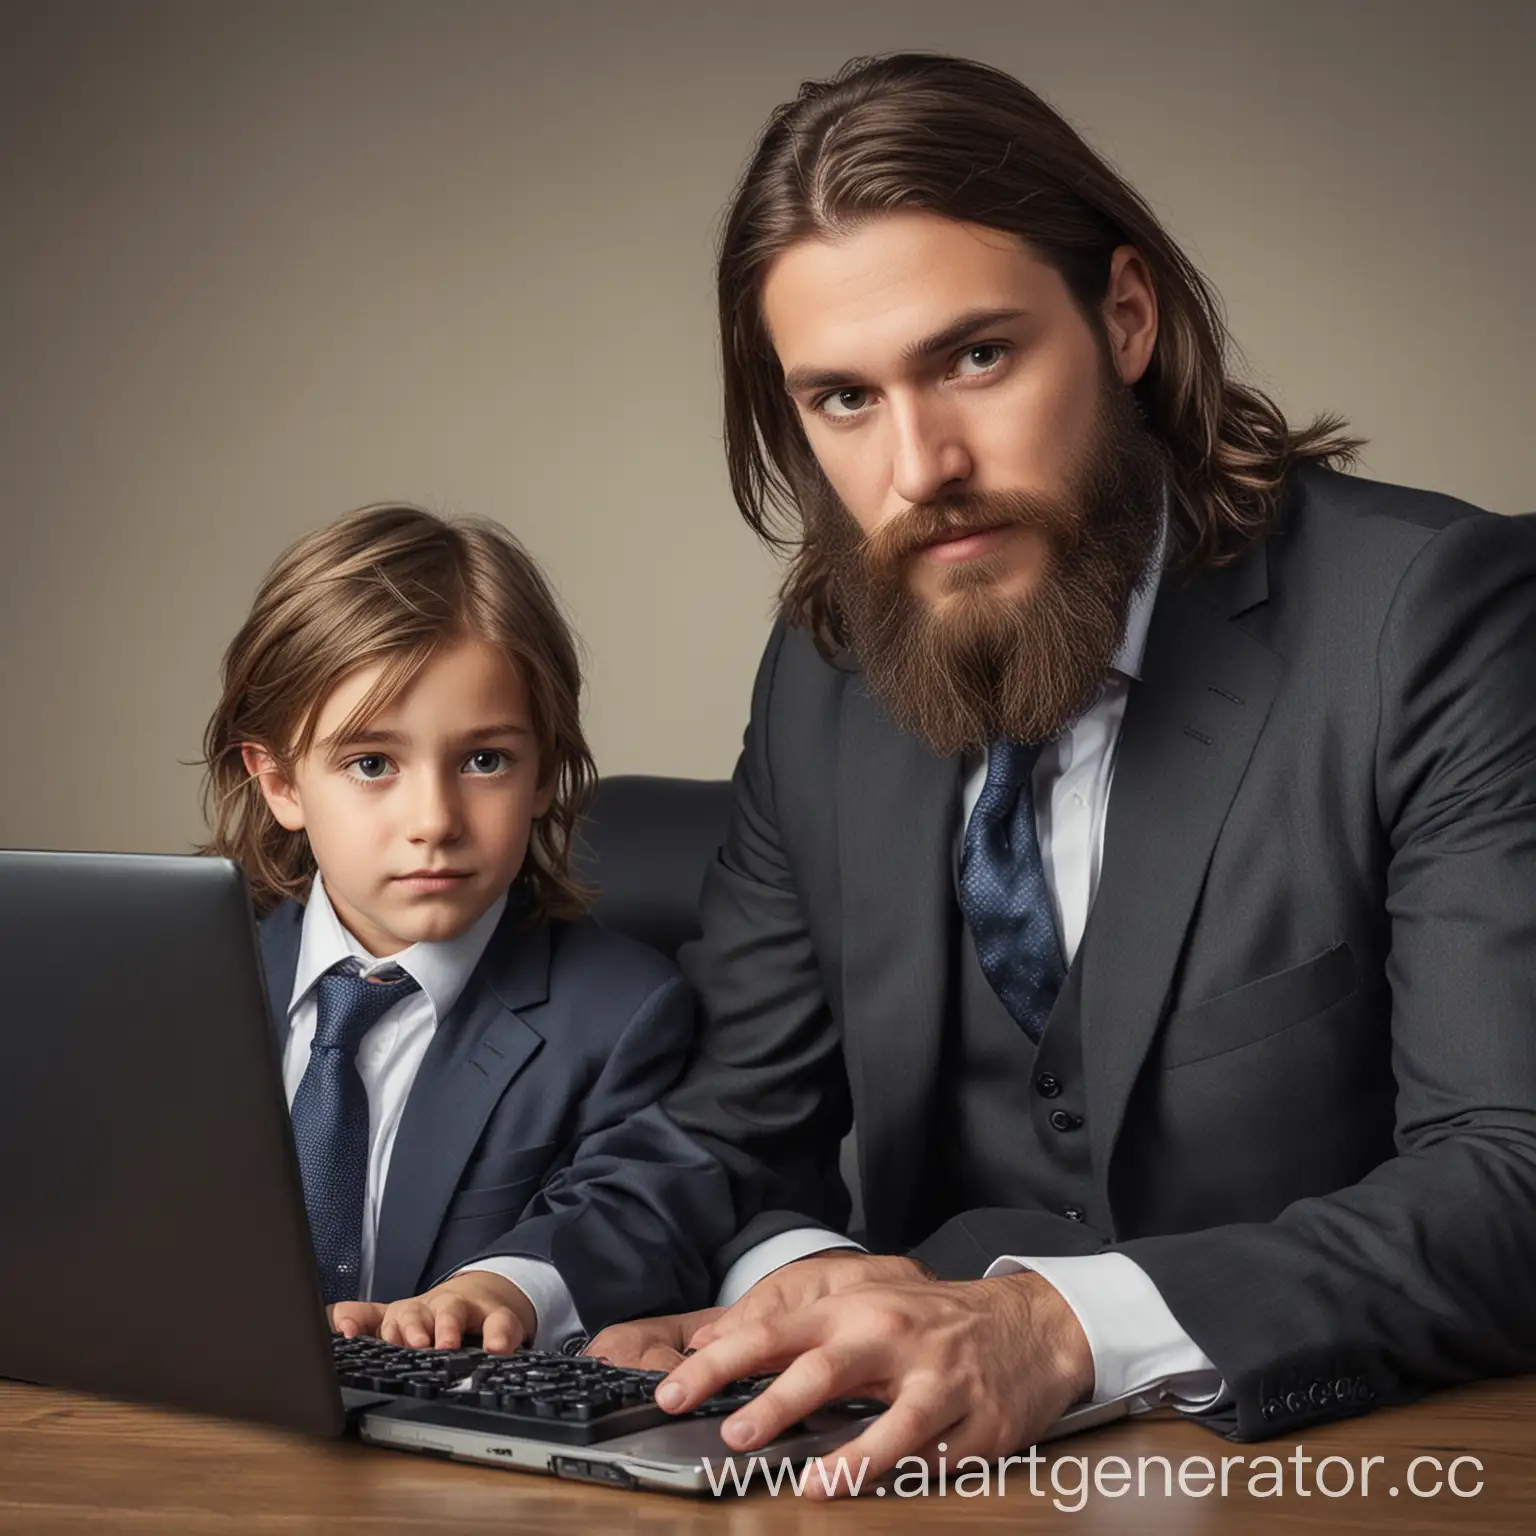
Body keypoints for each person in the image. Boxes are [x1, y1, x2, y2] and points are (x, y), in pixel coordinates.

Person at [586, 51, 1536, 1489]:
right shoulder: (826, 674)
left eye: (976, 356)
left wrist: (1058, 1326)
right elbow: (739, 1123)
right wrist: (796, 1275)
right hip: (907, 1483)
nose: (922, 467)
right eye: (842, 400)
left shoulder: (1436, 616)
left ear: (1127, 316)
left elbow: (1512, 1175)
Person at [200, 504, 725, 1352]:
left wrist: (503, 1285)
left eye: (485, 761)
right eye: (372, 764)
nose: (434, 819)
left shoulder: (624, 1014)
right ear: (281, 784)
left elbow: (631, 1208)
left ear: (548, 770)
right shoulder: (190, 989)